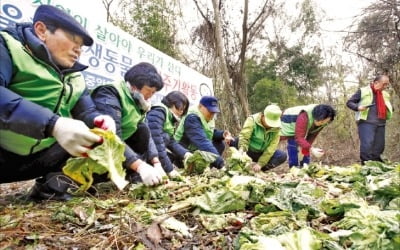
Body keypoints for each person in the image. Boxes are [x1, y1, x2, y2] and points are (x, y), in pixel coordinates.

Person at [0, 5, 116, 200]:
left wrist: (100, 119)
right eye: (73, 40)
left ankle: (50, 188)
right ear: (41, 30)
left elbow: (87, 112)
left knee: (98, 144)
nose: (78, 50)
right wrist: (53, 124)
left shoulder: (75, 77)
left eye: (81, 46)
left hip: (37, 157)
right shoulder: (7, 46)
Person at [91, 62, 167, 186]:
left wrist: (156, 162)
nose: (150, 96)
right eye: (149, 91)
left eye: (154, 93)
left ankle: (129, 174)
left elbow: (148, 135)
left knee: (142, 130)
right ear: (134, 86)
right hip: (98, 146)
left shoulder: (138, 102)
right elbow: (112, 136)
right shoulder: (109, 93)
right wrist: (140, 166)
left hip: (120, 149)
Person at [174, 96, 235, 169]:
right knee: (207, 148)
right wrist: (221, 164)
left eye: (214, 112)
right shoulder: (192, 118)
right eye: (210, 111)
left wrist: (222, 134)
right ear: (200, 107)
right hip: (183, 151)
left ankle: (207, 167)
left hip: (196, 150)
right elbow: (203, 142)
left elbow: (209, 132)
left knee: (220, 144)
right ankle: (183, 166)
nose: (212, 116)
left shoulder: (208, 117)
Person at [346, 75, 393, 165]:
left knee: (379, 147)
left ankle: (376, 168)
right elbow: (349, 102)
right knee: (367, 146)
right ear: (376, 83)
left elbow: (388, 106)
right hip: (366, 123)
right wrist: (358, 107)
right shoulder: (363, 91)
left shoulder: (385, 94)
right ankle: (366, 167)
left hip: (381, 123)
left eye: (387, 85)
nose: (386, 87)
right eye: (384, 84)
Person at [146, 91, 192, 178]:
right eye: (180, 107)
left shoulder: (169, 117)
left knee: (171, 155)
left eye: (183, 109)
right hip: (144, 149)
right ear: (172, 103)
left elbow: (171, 141)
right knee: (165, 138)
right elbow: (156, 140)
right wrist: (169, 169)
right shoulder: (159, 112)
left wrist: (185, 153)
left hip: (152, 151)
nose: (181, 112)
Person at [280, 104, 336, 168]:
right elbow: (299, 138)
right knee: (293, 143)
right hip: (289, 121)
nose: (322, 124)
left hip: (301, 124)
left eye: (324, 122)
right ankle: (294, 167)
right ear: (315, 117)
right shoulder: (304, 116)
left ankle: (305, 166)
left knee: (306, 145)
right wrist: (312, 149)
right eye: (321, 122)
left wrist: (308, 148)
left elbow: (313, 134)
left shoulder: (325, 120)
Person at [238, 104, 287, 172]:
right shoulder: (252, 120)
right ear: (263, 115)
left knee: (282, 155)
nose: (270, 125)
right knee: (235, 141)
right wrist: (242, 150)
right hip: (248, 150)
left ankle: (260, 169)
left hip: (261, 153)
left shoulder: (277, 128)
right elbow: (244, 136)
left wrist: (260, 164)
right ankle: (239, 165)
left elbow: (271, 148)